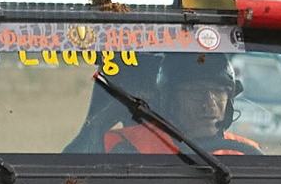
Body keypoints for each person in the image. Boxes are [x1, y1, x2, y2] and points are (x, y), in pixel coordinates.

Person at [99, 53, 263, 157]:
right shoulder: (125, 144)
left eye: (219, 91)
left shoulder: (247, 152)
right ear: (169, 100)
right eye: (195, 92)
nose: (209, 104)